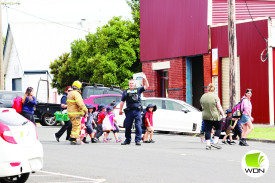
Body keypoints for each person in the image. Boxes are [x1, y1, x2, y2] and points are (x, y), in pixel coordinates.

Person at [119, 73, 149, 146]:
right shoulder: (125, 92)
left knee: (138, 125)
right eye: (130, 83)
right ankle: (127, 140)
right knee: (128, 125)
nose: (131, 84)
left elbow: (147, 86)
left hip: (137, 110)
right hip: (129, 111)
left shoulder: (138, 89)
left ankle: (137, 140)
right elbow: (122, 101)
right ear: (129, 84)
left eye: (132, 83)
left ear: (135, 84)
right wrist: (120, 109)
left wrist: (145, 78)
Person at [200, 83, 226, 150]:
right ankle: (215, 142)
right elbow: (219, 107)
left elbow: (202, 106)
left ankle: (208, 145)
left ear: (207, 89)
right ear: (214, 89)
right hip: (215, 116)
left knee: (207, 130)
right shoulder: (215, 97)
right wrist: (223, 114)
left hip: (205, 116)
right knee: (219, 128)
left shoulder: (203, 96)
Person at [67, 81, 88, 145]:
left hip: (70, 113)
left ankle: (74, 138)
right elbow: (80, 104)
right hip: (75, 113)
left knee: (74, 126)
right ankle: (73, 139)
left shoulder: (70, 93)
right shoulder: (76, 94)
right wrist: (85, 110)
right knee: (76, 126)